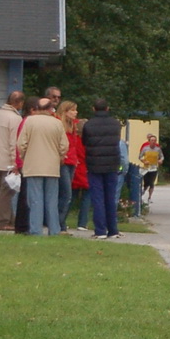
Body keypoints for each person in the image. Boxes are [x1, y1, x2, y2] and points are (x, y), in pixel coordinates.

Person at [16, 98, 68, 235]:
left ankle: (36, 230)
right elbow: (64, 145)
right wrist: (60, 156)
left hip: (33, 166)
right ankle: (54, 230)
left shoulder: (29, 121)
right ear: (50, 109)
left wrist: (24, 156)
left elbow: (21, 144)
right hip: (52, 166)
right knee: (52, 200)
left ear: (37, 108)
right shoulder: (57, 123)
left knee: (35, 200)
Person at [80, 98, 124, 239]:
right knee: (110, 197)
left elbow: (84, 142)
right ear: (107, 108)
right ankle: (113, 230)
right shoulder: (115, 124)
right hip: (112, 164)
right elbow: (116, 141)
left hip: (94, 164)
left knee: (98, 198)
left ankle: (100, 231)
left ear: (93, 109)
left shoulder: (89, 125)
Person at [0, 90, 25, 231]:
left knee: (3, 190)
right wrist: (16, 162)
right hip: (7, 160)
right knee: (7, 192)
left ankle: (10, 220)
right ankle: (1, 221)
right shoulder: (15, 119)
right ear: (18, 103)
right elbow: (14, 142)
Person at [56, 101, 79, 232]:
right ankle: (59, 223)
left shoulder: (73, 125)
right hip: (63, 161)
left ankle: (61, 222)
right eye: (73, 110)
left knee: (66, 193)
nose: (75, 113)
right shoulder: (59, 124)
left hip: (72, 161)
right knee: (66, 194)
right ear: (65, 111)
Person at [71, 117, 92, 232]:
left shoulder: (74, 140)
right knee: (86, 198)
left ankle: (61, 220)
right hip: (87, 170)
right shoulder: (89, 142)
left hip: (75, 170)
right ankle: (82, 223)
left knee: (70, 197)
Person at [138, 135, 163, 204]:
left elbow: (162, 156)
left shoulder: (158, 149)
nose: (153, 142)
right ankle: (143, 192)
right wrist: (144, 161)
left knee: (151, 183)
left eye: (155, 140)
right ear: (149, 141)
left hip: (154, 168)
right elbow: (140, 156)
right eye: (152, 140)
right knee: (146, 183)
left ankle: (149, 197)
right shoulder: (145, 148)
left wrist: (160, 160)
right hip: (146, 168)